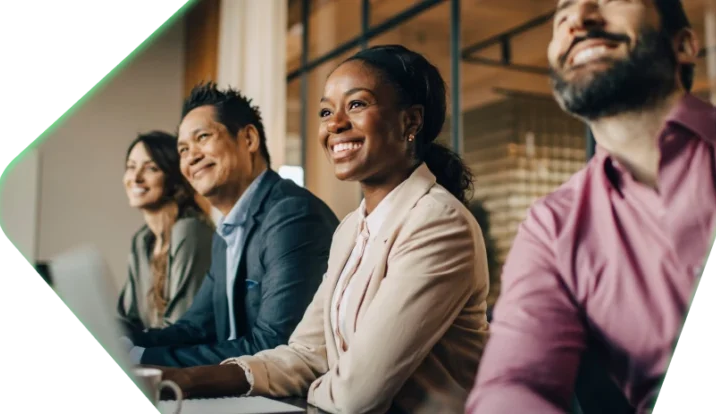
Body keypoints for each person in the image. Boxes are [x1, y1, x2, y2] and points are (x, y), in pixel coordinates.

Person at [152, 45, 491, 414]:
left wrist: (310, 383)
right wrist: (182, 380)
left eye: (356, 104)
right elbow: (306, 353)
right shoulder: (351, 229)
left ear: (410, 122)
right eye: (327, 111)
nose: (335, 124)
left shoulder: (438, 223)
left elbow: (356, 393)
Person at [466, 1, 716, 413]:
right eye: (562, 16)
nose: (578, 18)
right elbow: (513, 384)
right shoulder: (552, 227)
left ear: (683, 45)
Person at [121, 82, 340, 368]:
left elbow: (272, 347)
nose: (191, 157)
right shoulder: (226, 232)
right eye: (183, 149)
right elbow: (194, 328)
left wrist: (138, 357)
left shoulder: (292, 215)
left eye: (203, 137)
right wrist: (118, 341)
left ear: (248, 139)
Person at [118, 131, 214, 331]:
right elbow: (130, 319)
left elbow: (182, 329)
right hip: (152, 349)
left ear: (174, 177)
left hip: (185, 351)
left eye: (151, 168)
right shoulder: (142, 240)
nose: (136, 177)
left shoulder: (190, 231)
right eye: (131, 167)